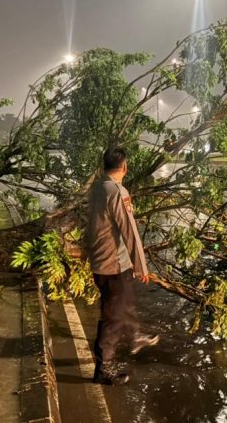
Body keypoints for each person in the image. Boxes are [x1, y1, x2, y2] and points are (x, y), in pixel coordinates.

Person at [86, 146, 159, 385]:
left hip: (99, 261)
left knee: (121, 303)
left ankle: (136, 336)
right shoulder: (117, 192)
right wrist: (141, 266)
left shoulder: (97, 187)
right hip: (114, 265)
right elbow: (130, 230)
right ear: (125, 167)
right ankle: (103, 369)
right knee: (113, 317)